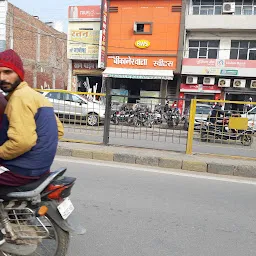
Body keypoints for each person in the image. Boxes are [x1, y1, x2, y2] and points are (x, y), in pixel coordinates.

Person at [0, 49, 64, 244]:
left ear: (19, 74)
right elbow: (58, 129)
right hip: (41, 167)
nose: (2, 77)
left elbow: (23, 141)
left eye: (8, 72)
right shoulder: (36, 96)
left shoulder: (18, 99)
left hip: (23, 168)